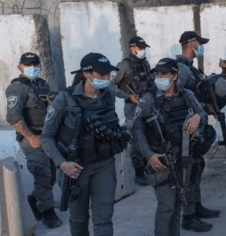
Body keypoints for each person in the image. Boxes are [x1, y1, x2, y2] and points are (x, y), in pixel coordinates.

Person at [41, 53, 131, 236]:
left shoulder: (109, 96)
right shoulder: (63, 100)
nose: (107, 78)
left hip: (104, 166)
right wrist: (62, 163)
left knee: (104, 219)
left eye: (108, 75)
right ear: (87, 74)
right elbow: (46, 137)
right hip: (76, 169)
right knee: (79, 221)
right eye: (102, 75)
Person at [132, 58, 210, 235]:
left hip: (183, 157)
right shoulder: (149, 99)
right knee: (166, 206)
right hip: (160, 159)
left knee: (177, 205)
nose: (159, 77)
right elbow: (136, 129)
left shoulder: (186, 95)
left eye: (164, 74)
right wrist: (148, 154)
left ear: (174, 76)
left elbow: (203, 114)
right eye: (157, 74)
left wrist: (197, 117)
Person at [5, 52, 62, 228]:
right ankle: (48, 213)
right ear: (20, 67)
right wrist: (31, 137)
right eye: (28, 65)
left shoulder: (43, 85)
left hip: (48, 136)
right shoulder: (17, 87)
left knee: (52, 173)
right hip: (32, 137)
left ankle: (34, 200)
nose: (33, 68)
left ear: (40, 66)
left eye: (35, 64)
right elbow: (13, 117)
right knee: (42, 174)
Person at [175, 30, 224, 222]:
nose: (201, 47)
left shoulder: (191, 68)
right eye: (199, 43)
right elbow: (175, 97)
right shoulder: (182, 68)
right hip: (188, 129)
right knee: (188, 170)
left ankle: (196, 207)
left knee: (197, 166)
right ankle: (188, 216)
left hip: (197, 127)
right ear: (191, 44)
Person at [109, 36, 154, 185]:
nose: (143, 51)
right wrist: (127, 95)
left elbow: (150, 82)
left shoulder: (145, 63)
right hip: (132, 106)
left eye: (144, 48)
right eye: (140, 48)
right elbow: (110, 85)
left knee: (149, 135)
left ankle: (149, 166)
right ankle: (139, 171)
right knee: (135, 138)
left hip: (146, 104)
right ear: (132, 48)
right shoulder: (123, 66)